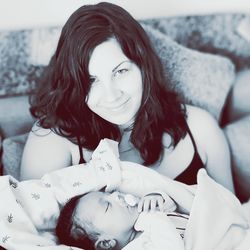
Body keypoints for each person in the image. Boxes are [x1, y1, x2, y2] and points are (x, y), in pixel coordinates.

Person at [20, 2, 234, 193]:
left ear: (143, 66)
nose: (112, 95)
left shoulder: (200, 128)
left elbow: (232, 222)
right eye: (91, 80)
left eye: (120, 72)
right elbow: (29, 235)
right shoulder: (53, 139)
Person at [55, 190, 188, 250]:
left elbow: (176, 206)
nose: (116, 195)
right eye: (107, 206)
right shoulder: (137, 246)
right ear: (106, 243)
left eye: (109, 194)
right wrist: (151, 216)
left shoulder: (142, 212)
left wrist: (157, 197)